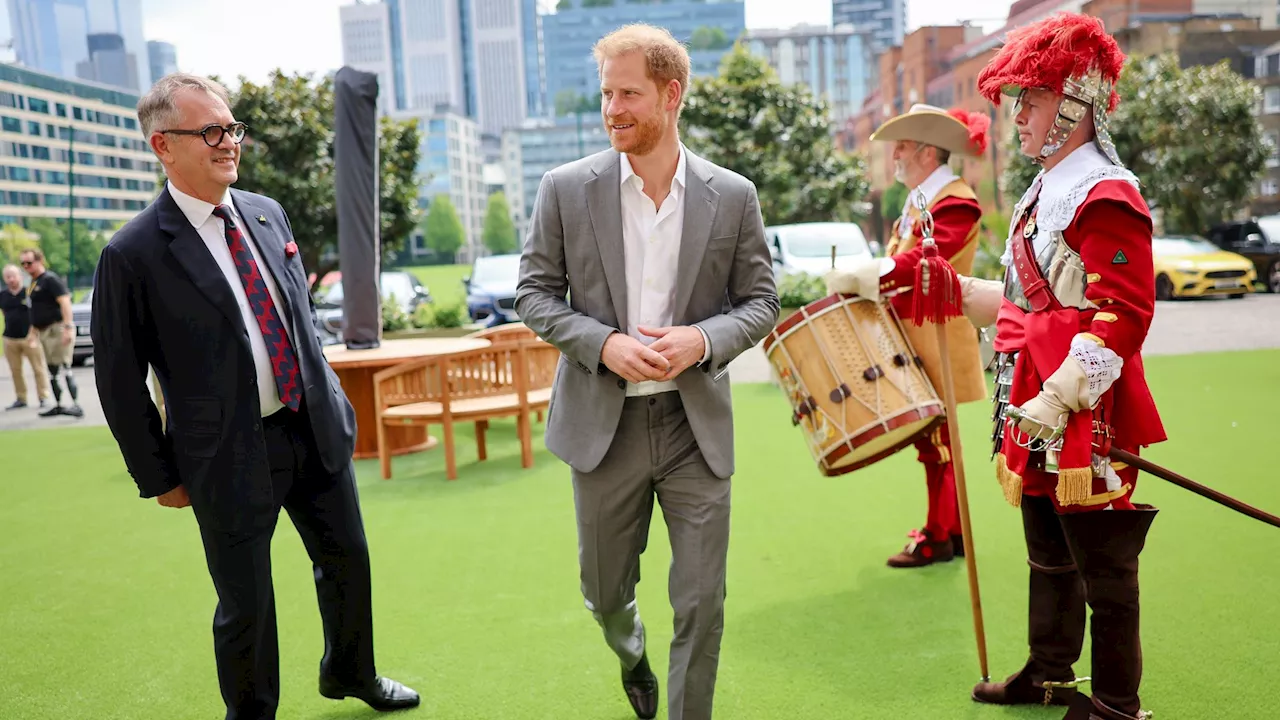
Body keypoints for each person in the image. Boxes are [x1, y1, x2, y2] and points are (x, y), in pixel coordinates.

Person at [91, 73, 418, 720]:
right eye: (210, 131)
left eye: (232, 127)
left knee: (348, 560)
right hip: (224, 455)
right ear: (163, 145)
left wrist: (334, 406)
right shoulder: (131, 254)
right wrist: (158, 474)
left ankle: (352, 674)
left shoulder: (268, 213)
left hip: (311, 427)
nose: (228, 142)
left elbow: (299, 319)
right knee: (247, 602)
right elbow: (118, 380)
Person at [515, 24, 778, 720]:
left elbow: (761, 302)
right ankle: (630, 651)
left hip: (696, 428)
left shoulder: (734, 194)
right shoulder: (565, 189)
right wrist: (602, 344)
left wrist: (703, 338)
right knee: (603, 591)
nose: (613, 109)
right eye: (606, 94)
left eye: (628, 92)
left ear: (672, 93)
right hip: (606, 427)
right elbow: (534, 295)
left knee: (701, 603)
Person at [951, 13, 1165, 720]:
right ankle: (1049, 673)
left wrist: (1061, 394)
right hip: (1031, 397)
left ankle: (1114, 704)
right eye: (1018, 101)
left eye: (1033, 100)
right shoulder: (1046, 189)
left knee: (1106, 569)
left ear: (1076, 105)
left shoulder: (1106, 191)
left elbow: (1122, 314)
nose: (1018, 116)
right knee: (1046, 550)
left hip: (1084, 410)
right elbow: (1028, 299)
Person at [825, 104, 991, 567]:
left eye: (901, 146)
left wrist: (867, 273)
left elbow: (923, 264)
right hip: (916, 337)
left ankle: (938, 536)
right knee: (933, 441)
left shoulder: (955, 200)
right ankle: (950, 531)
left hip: (937, 337)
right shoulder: (923, 201)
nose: (893, 154)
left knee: (937, 443)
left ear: (924, 151)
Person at [20, 248, 83, 417]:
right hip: (43, 330)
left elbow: (65, 302)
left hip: (57, 327)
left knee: (65, 366)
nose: (26, 266)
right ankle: (59, 404)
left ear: (40, 261)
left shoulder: (50, 280)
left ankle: (76, 404)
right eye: (23, 263)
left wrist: (68, 327)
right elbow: (35, 311)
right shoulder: (33, 283)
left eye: (29, 263)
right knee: (52, 369)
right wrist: (32, 332)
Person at [2, 263, 51, 410]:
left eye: (14, 276)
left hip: (30, 336)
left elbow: (37, 312)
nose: (11, 279)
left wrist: (33, 332)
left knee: (38, 368)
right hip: (10, 337)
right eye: (8, 277)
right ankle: (21, 397)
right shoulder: (3, 295)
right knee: (15, 370)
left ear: (20, 276)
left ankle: (43, 396)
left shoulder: (29, 292)